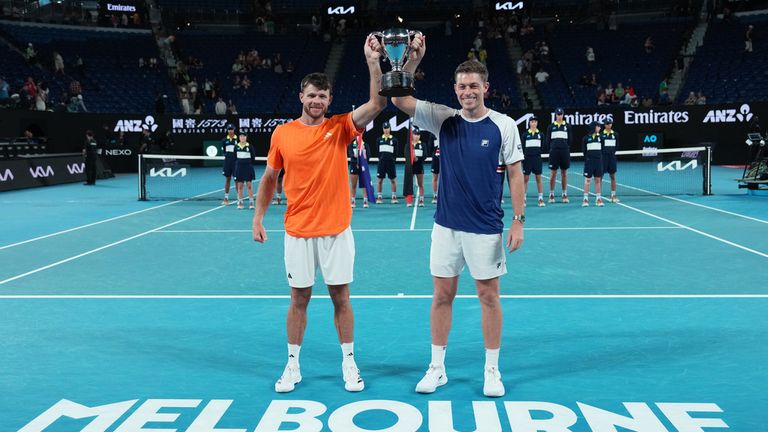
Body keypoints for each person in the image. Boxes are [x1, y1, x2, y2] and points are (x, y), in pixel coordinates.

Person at [252, 34, 387, 393]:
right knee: (299, 298)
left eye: (323, 96)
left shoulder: (340, 127)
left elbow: (376, 103)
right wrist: (257, 217)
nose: (316, 101)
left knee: (341, 297)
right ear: (301, 97)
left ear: (329, 100)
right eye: (311, 95)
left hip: (335, 230)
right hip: (297, 231)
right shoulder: (282, 134)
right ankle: (293, 365)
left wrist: (373, 63)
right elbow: (270, 178)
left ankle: (349, 362)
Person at [391, 38, 525, 398]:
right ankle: (437, 368)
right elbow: (400, 100)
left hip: (486, 229)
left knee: (489, 298)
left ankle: (492, 370)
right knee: (441, 296)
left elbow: (515, 173)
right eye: (462, 86)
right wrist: (412, 63)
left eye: (473, 86)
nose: (468, 92)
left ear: (485, 88)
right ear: (455, 89)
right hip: (446, 227)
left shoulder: (504, 125)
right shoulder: (443, 119)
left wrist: (518, 220)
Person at [546, 107, 571, 203]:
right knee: (553, 174)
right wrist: (553, 148)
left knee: (564, 173)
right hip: (554, 152)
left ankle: (564, 194)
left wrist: (565, 147)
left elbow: (570, 140)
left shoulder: (567, 126)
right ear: (555, 115)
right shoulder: (551, 127)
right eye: (558, 114)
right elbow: (548, 141)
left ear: (563, 115)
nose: (559, 116)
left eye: (561, 114)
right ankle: (551, 194)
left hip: (564, 152)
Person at [522, 115, 545, 207]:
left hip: (537, 159)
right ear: (529, 123)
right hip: (527, 159)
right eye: (532, 121)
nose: (534, 123)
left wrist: (537, 153)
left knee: (538, 178)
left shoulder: (541, 135)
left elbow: (543, 146)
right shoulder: (525, 135)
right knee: (525, 179)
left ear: (537, 123)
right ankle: (523, 199)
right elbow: (523, 147)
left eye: (535, 121)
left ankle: (540, 198)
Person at [582, 121, 605, 207]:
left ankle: (598, 199)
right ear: (594, 127)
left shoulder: (601, 138)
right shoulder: (586, 138)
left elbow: (602, 149)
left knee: (598, 180)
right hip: (589, 162)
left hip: (598, 161)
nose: (599, 128)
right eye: (598, 126)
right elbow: (584, 151)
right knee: (587, 180)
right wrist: (589, 159)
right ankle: (585, 199)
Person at [376, 123, 398, 204]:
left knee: (393, 180)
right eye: (385, 128)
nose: (386, 130)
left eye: (387, 128)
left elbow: (396, 152)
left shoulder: (394, 140)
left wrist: (392, 159)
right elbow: (378, 152)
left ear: (390, 128)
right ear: (383, 129)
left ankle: (394, 196)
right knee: (379, 180)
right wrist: (381, 158)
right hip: (381, 162)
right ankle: (379, 197)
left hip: (390, 163)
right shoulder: (379, 140)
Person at [233, 132, 256, 209]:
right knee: (240, 186)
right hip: (239, 168)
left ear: (246, 137)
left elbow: (253, 158)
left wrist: (247, 163)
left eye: (244, 136)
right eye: (241, 136)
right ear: (239, 137)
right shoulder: (236, 147)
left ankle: (251, 202)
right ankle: (240, 202)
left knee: (249, 185)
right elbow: (235, 157)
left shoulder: (250, 147)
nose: (242, 138)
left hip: (248, 167)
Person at [348, 136, 371, 208]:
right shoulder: (351, 145)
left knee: (364, 184)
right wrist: (356, 159)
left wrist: (362, 161)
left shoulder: (365, 145)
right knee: (353, 185)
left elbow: (368, 156)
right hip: (354, 166)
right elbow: (351, 154)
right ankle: (353, 200)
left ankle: (365, 200)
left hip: (363, 166)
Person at [221, 124, 238, 205]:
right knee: (228, 179)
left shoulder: (238, 139)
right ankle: (226, 198)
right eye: (229, 129)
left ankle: (239, 198)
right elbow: (224, 152)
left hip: (236, 163)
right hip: (227, 162)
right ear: (227, 130)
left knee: (237, 180)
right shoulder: (224, 140)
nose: (230, 131)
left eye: (232, 129)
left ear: (234, 130)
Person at [410, 128, 426, 207]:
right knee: (410, 184)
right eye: (415, 134)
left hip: (419, 166)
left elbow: (425, 156)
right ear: (412, 135)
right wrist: (412, 159)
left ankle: (421, 199)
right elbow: (406, 154)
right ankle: (410, 200)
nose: (416, 136)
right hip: (411, 167)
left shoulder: (422, 145)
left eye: (418, 135)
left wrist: (418, 159)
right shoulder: (409, 144)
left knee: (420, 184)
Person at [430, 138, 440, 204]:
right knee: (435, 178)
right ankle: (435, 195)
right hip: (436, 159)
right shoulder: (432, 135)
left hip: (446, 157)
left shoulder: (446, 131)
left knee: (445, 178)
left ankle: (444, 195)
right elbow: (430, 147)